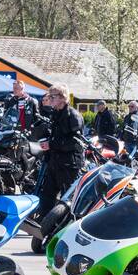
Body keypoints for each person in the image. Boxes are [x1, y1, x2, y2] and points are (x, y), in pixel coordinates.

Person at [37, 84, 86, 220]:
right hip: (54, 161)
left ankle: (67, 225)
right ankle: (43, 225)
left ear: (63, 98)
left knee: (67, 200)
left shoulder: (74, 116)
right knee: (46, 195)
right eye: (49, 96)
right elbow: (56, 135)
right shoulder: (56, 113)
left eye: (52, 96)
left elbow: (75, 143)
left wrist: (50, 144)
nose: (50, 99)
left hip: (68, 164)